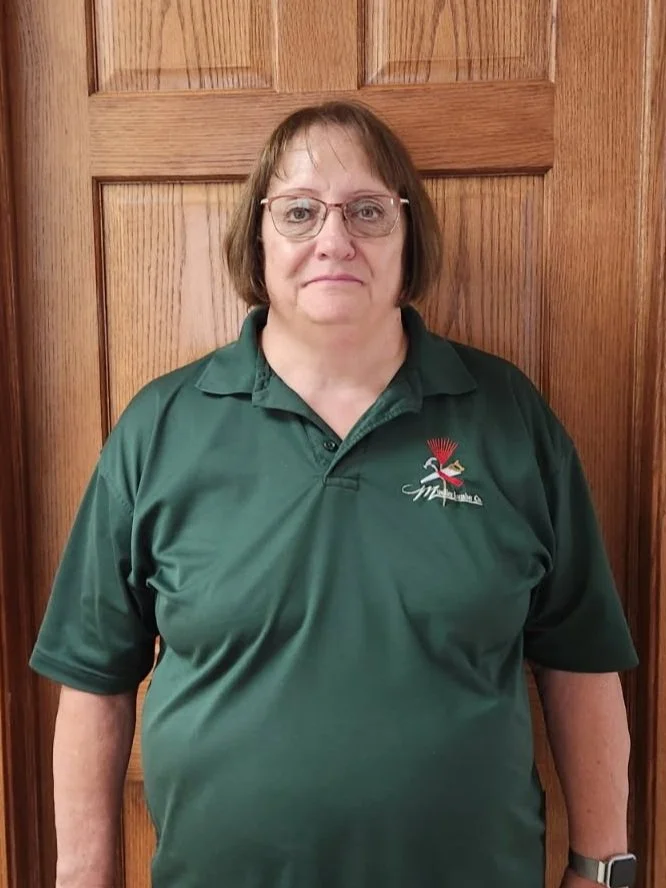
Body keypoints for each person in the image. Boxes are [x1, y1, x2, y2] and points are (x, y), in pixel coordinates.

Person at [30, 101, 639, 888]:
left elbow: (581, 661)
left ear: (408, 236)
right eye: (299, 212)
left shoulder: (510, 417)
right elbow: (93, 678)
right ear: (258, 238)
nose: (334, 239)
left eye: (367, 211)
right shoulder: (161, 427)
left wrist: (601, 868)